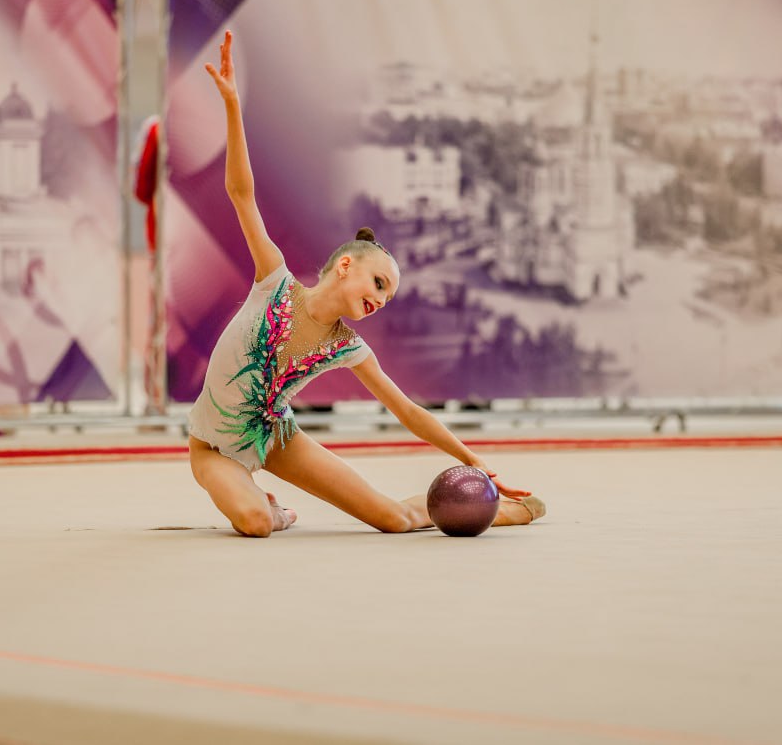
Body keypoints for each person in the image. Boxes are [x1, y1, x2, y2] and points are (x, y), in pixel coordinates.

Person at [188, 30, 545, 537]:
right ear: (344, 266)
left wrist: (475, 462)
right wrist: (231, 105)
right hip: (211, 446)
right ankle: (270, 507)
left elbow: (408, 411)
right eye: (377, 282)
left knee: (394, 520)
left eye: (387, 295)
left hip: (274, 438)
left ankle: (504, 510)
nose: (380, 299)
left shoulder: (347, 347)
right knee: (254, 523)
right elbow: (240, 193)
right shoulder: (275, 283)